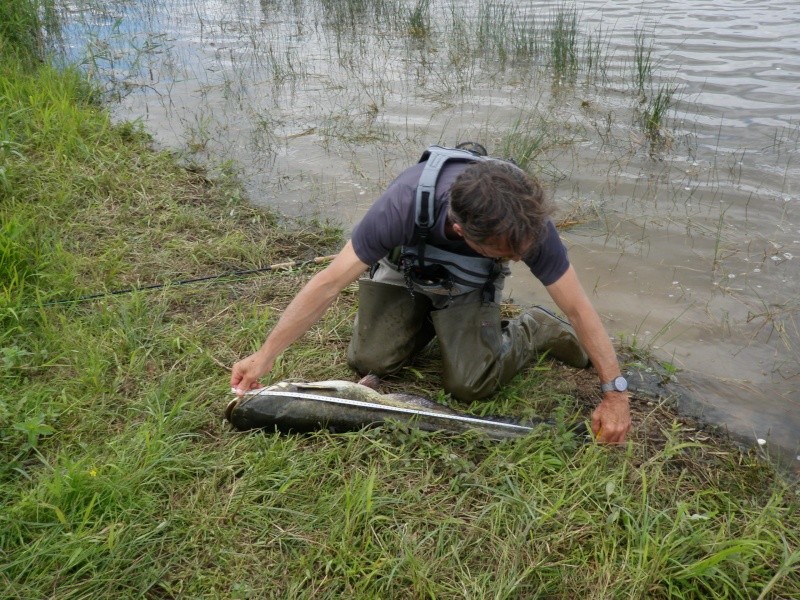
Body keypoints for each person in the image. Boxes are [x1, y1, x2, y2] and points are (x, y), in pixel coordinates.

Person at [231, 148, 631, 443]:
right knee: (369, 361)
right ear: (461, 232)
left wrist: (614, 392)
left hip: (467, 284)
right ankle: (428, 319)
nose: (519, 258)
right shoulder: (403, 203)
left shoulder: (527, 226)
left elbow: (578, 307)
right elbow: (328, 282)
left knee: (470, 384)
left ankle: (533, 328)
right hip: (407, 271)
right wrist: (263, 357)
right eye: (507, 253)